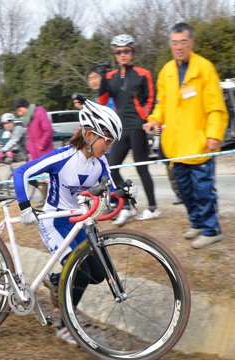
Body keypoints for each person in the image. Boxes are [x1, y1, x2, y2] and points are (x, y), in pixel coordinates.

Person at [12, 100, 124, 345]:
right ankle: (65, 325)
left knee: (97, 273)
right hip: (56, 222)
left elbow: (112, 190)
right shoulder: (62, 157)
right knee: (80, 271)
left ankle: (56, 283)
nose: (109, 146)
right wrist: (24, 206)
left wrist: (123, 193)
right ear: (91, 134)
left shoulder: (101, 162)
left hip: (80, 223)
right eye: (107, 140)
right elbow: (20, 173)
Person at [143, 22, 228, 249]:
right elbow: (162, 104)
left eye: (183, 42)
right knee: (185, 191)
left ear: (192, 43)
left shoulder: (204, 69)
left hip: (200, 142)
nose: (179, 47)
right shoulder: (166, 72)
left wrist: (214, 134)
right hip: (175, 145)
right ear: (170, 45)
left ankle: (212, 230)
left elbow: (216, 106)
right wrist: (155, 119)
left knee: (203, 189)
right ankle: (197, 222)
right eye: (174, 43)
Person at [97, 34, 159, 224]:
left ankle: (153, 208)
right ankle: (128, 204)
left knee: (142, 168)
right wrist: (102, 78)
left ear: (132, 52)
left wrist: (146, 119)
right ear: (115, 54)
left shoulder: (143, 73)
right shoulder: (110, 76)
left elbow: (150, 98)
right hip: (121, 128)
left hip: (138, 126)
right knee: (112, 166)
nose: (122, 54)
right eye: (118, 51)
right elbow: (101, 99)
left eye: (126, 51)